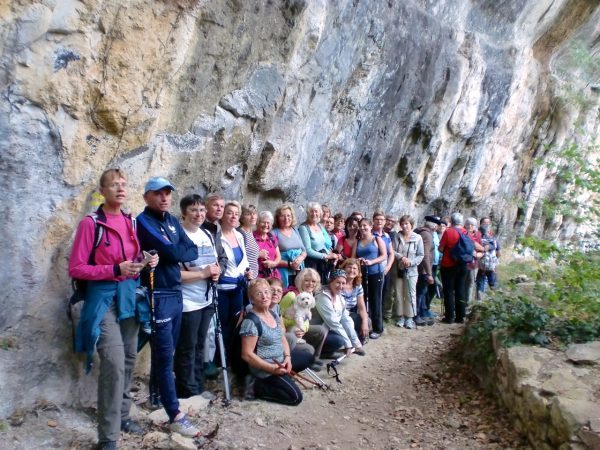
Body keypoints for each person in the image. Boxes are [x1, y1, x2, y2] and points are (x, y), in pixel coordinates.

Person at [69, 169, 159, 449]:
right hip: (102, 300)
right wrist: (113, 269)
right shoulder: (91, 224)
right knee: (114, 364)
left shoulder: (131, 221)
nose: (120, 189)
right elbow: (76, 267)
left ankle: (122, 416)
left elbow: (130, 259)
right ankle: (108, 437)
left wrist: (146, 261)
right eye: (114, 185)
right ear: (102, 190)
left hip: (129, 297)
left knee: (130, 359)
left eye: (123, 184)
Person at [136, 176, 200, 437]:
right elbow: (176, 254)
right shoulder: (143, 222)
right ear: (146, 197)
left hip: (176, 293)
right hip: (157, 295)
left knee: (168, 353)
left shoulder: (173, 220)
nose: (164, 198)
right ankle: (174, 413)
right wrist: (175, 252)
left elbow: (191, 249)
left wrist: (174, 251)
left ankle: (156, 397)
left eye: (167, 193)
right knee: (163, 356)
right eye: (157, 193)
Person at [173, 195, 220, 399]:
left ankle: (198, 386)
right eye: (193, 210)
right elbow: (174, 274)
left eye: (201, 210)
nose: (199, 214)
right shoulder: (178, 236)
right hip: (187, 300)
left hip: (206, 298)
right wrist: (203, 274)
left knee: (200, 344)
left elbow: (213, 263)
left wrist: (216, 272)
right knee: (187, 346)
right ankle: (186, 390)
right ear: (184, 212)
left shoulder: (206, 235)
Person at [240, 279, 303, 405]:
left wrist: (288, 358)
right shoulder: (251, 322)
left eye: (266, 292)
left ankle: (282, 379)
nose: (264, 296)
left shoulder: (273, 314)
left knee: (307, 358)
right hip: (265, 368)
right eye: (258, 294)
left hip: (280, 361)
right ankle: (255, 386)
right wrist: (271, 369)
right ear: (252, 300)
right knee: (296, 398)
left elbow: (282, 337)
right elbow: (246, 354)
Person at [217, 201, 250, 361]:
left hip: (238, 286)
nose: (233, 216)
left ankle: (229, 356)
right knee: (221, 323)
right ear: (222, 215)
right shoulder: (216, 236)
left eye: (236, 214)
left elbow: (243, 260)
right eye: (229, 212)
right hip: (222, 288)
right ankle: (218, 358)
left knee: (236, 322)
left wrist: (246, 272)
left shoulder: (239, 235)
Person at [279, 268, 330, 360]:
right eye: (306, 280)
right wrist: (296, 323)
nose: (310, 284)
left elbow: (305, 317)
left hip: (300, 326)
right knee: (296, 331)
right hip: (287, 331)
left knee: (321, 330)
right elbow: (278, 318)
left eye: (313, 281)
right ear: (300, 281)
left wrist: (304, 328)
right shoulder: (291, 296)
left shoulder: (309, 296)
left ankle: (314, 358)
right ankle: (294, 358)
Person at [314, 270, 365, 357]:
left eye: (343, 283)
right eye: (338, 282)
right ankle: (323, 353)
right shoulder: (322, 296)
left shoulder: (339, 296)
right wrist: (348, 344)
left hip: (330, 329)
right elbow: (333, 322)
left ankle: (337, 349)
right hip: (318, 331)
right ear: (331, 282)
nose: (341, 286)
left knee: (352, 326)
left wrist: (356, 343)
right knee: (339, 340)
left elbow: (345, 318)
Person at [352, 218, 387, 339]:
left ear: (371, 226)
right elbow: (352, 258)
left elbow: (384, 255)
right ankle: (363, 325)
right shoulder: (358, 242)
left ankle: (378, 328)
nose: (362, 228)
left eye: (365, 225)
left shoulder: (377, 239)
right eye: (361, 226)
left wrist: (371, 262)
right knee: (362, 300)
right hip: (361, 275)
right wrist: (359, 260)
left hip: (375, 273)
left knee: (375, 300)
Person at [391, 215, 424, 329]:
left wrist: (411, 262)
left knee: (410, 294)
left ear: (411, 225)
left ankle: (409, 317)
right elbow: (392, 251)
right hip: (398, 270)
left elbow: (420, 255)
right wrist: (401, 257)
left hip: (411, 271)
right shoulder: (397, 236)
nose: (405, 226)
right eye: (403, 224)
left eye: (407, 224)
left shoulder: (417, 238)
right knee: (399, 294)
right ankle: (400, 316)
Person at [438, 212, 470, 324]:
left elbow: (441, 248)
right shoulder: (466, 232)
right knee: (460, 290)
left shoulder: (448, 232)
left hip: (448, 265)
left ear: (451, 221)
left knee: (448, 291)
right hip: (463, 265)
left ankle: (449, 317)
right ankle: (460, 317)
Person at [299, 202, 341, 283]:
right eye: (311, 211)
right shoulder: (303, 228)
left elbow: (324, 245)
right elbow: (308, 250)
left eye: (316, 211)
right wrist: (326, 256)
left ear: (320, 213)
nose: (314, 214)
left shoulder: (320, 226)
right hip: (312, 264)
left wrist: (334, 256)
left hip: (322, 264)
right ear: (307, 213)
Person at [272, 204, 307, 288]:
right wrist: (289, 264)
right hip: (283, 271)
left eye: (288, 215)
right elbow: (272, 258)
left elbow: (304, 250)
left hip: (299, 268)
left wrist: (300, 258)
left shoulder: (295, 230)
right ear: (277, 218)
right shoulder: (273, 233)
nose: (286, 219)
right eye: (282, 216)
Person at [414, 217, 438, 326]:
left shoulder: (420, 231)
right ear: (434, 226)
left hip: (420, 268)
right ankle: (417, 316)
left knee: (422, 293)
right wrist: (429, 273)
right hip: (422, 270)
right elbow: (425, 255)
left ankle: (422, 314)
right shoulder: (427, 235)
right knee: (420, 293)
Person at [340, 259, 369, 342]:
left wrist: (365, 322)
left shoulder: (358, 286)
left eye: (354, 268)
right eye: (349, 267)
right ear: (344, 269)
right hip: (338, 316)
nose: (351, 270)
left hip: (349, 314)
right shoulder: (338, 284)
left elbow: (362, 308)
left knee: (367, 321)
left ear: (358, 271)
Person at [372, 210, 395, 322]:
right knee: (374, 296)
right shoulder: (369, 234)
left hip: (385, 269)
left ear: (385, 221)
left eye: (382, 219)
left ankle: (379, 318)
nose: (379, 221)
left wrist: (388, 267)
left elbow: (391, 253)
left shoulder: (386, 236)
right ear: (373, 221)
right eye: (377, 219)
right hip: (373, 270)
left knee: (383, 294)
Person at [477, 217, 501, 299]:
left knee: (492, 283)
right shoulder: (477, 234)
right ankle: (480, 301)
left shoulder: (492, 236)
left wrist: (495, 263)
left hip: (490, 264)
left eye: (488, 223)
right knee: (480, 284)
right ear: (480, 224)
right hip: (479, 264)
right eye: (484, 223)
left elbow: (498, 250)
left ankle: (494, 300)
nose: (486, 224)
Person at [253, 210, 282, 279]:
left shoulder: (272, 238)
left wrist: (274, 263)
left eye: (268, 223)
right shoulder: (251, 237)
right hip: (257, 276)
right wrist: (258, 254)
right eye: (263, 222)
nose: (266, 225)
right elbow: (245, 256)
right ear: (257, 223)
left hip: (273, 275)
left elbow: (278, 257)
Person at [464, 217, 484, 307]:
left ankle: (467, 304)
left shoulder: (478, 235)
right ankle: (461, 304)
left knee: (471, 283)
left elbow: (482, 249)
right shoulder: (463, 233)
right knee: (462, 283)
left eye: (473, 225)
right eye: (468, 224)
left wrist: (480, 254)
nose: (471, 226)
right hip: (463, 263)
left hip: (473, 264)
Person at [239, 204, 259, 280]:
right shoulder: (240, 233)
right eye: (248, 214)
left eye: (254, 213)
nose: (253, 217)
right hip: (245, 277)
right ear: (241, 217)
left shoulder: (251, 232)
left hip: (253, 277)